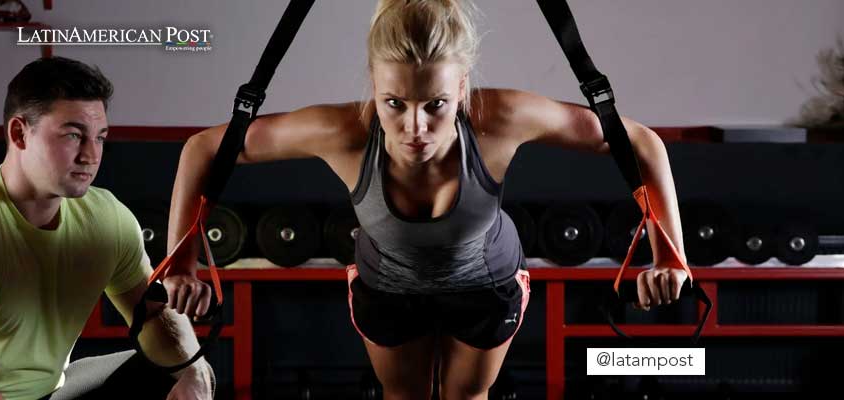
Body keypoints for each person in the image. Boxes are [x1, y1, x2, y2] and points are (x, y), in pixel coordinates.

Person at [165, 0, 689, 398]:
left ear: (462, 87)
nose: (415, 127)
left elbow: (638, 142)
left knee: (466, 397)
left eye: (435, 104)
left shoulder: (498, 119)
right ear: (374, 83)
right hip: (388, 288)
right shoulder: (344, 132)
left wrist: (672, 256)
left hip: (486, 284)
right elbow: (204, 148)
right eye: (394, 103)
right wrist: (180, 264)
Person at [0, 56, 214, 400]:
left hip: (45, 393)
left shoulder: (106, 216)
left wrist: (195, 374)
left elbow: (154, 315)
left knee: (175, 370)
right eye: (73, 135)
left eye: (100, 137)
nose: (91, 155)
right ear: (19, 133)